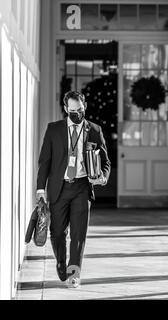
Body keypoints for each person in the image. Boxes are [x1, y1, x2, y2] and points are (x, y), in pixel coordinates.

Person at [36, 91, 111, 288]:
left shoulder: (94, 129)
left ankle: (74, 272)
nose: (77, 113)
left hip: (82, 187)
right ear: (66, 109)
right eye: (73, 111)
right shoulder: (54, 129)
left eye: (80, 110)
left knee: (78, 234)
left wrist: (102, 177)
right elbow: (44, 161)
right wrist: (40, 190)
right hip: (58, 188)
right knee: (57, 232)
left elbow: (105, 161)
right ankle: (61, 262)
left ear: (84, 107)